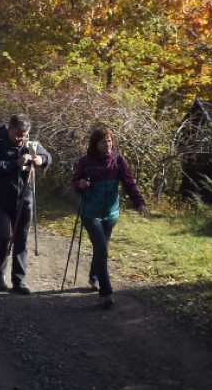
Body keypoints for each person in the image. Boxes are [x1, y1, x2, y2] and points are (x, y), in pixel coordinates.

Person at [72, 127, 149, 308]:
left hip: (111, 213)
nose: (107, 145)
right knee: (102, 250)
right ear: (95, 144)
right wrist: (80, 183)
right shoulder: (86, 162)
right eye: (102, 142)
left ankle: (93, 276)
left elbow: (129, 183)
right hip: (90, 213)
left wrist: (140, 203)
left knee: (101, 249)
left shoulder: (119, 161)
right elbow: (75, 182)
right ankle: (105, 293)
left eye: (109, 140)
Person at [0, 114, 51, 294]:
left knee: (21, 239)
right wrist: (15, 163)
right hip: (0, 200)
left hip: (24, 198)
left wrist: (41, 160)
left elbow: (47, 156)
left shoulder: (30, 143)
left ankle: (19, 280)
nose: (22, 139)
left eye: (25, 134)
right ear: (9, 129)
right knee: (4, 237)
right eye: (18, 135)